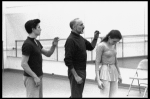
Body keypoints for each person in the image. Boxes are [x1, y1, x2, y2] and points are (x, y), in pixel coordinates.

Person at [21, 19, 59, 98]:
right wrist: (35, 77)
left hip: (38, 76)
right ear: (33, 29)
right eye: (39, 27)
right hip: (31, 78)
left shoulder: (36, 42)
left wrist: (54, 45)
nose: (40, 29)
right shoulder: (27, 44)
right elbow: (24, 64)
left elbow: (48, 54)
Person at [64, 18, 100, 98]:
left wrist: (95, 38)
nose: (84, 26)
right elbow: (67, 60)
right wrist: (76, 76)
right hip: (76, 71)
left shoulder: (80, 38)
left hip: (82, 70)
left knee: (77, 94)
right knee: (76, 95)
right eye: (81, 25)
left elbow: (91, 47)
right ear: (74, 27)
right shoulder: (71, 40)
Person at [95, 30, 122, 97]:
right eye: (114, 41)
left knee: (114, 95)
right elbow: (97, 62)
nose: (115, 43)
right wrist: (98, 80)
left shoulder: (113, 45)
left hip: (113, 70)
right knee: (104, 94)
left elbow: (116, 61)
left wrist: (119, 74)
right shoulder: (101, 46)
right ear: (109, 37)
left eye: (117, 42)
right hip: (105, 70)